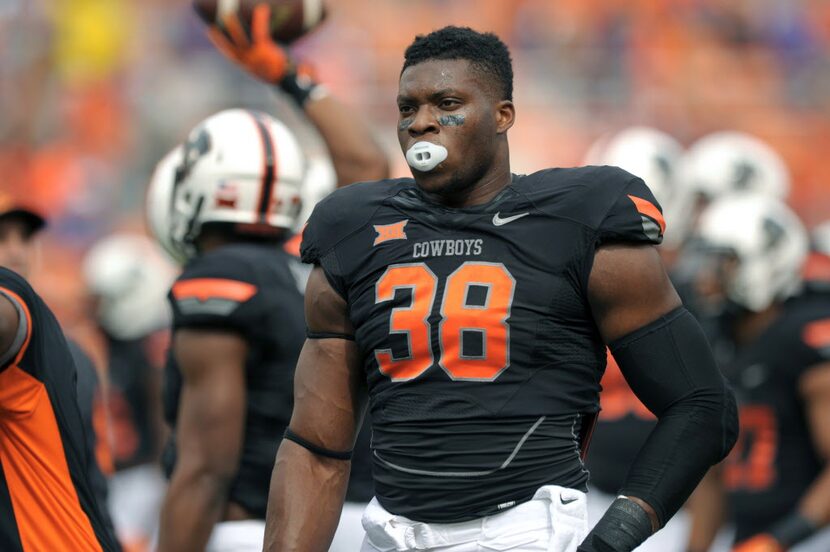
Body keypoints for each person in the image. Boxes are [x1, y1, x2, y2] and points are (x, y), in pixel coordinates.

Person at [263, 26, 738, 552]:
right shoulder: (352, 227)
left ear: (503, 115)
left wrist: (611, 540)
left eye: (446, 104)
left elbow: (703, 406)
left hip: (521, 532)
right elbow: (315, 447)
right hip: (389, 533)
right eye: (407, 108)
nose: (421, 123)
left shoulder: (579, 217)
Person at [684, 194, 830, 552]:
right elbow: (713, 470)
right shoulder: (720, 336)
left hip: (809, 534)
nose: (705, 276)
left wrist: (780, 539)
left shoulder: (802, 336)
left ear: (764, 261)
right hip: (747, 534)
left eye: (722, 262)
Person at [0, 208, 120, 550]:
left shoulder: (28, 321)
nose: (16, 250)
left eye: (24, 238)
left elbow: (95, 476)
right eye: (2, 237)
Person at [83, 233, 175, 551]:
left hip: (143, 479)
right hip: (126, 478)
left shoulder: (151, 345)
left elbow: (163, 417)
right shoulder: (118, 339)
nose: (97, 309)